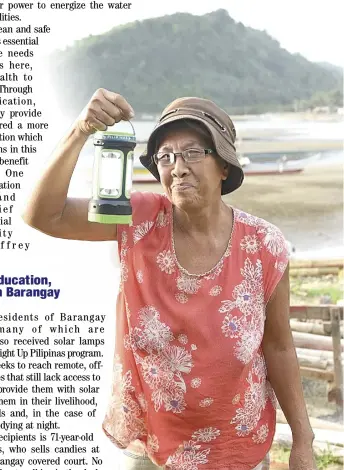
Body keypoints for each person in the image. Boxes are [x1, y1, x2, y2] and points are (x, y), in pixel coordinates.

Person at [23, 89, 317, 470]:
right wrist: (81, 130)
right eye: (166, 156)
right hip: (150, 444)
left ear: (224, 166)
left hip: (236, 446)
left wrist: (303, 440)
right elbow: (45, 216)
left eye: (194, 152)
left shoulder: (265, 245)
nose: (177, 167)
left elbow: (278, 347)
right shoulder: (140, 219)